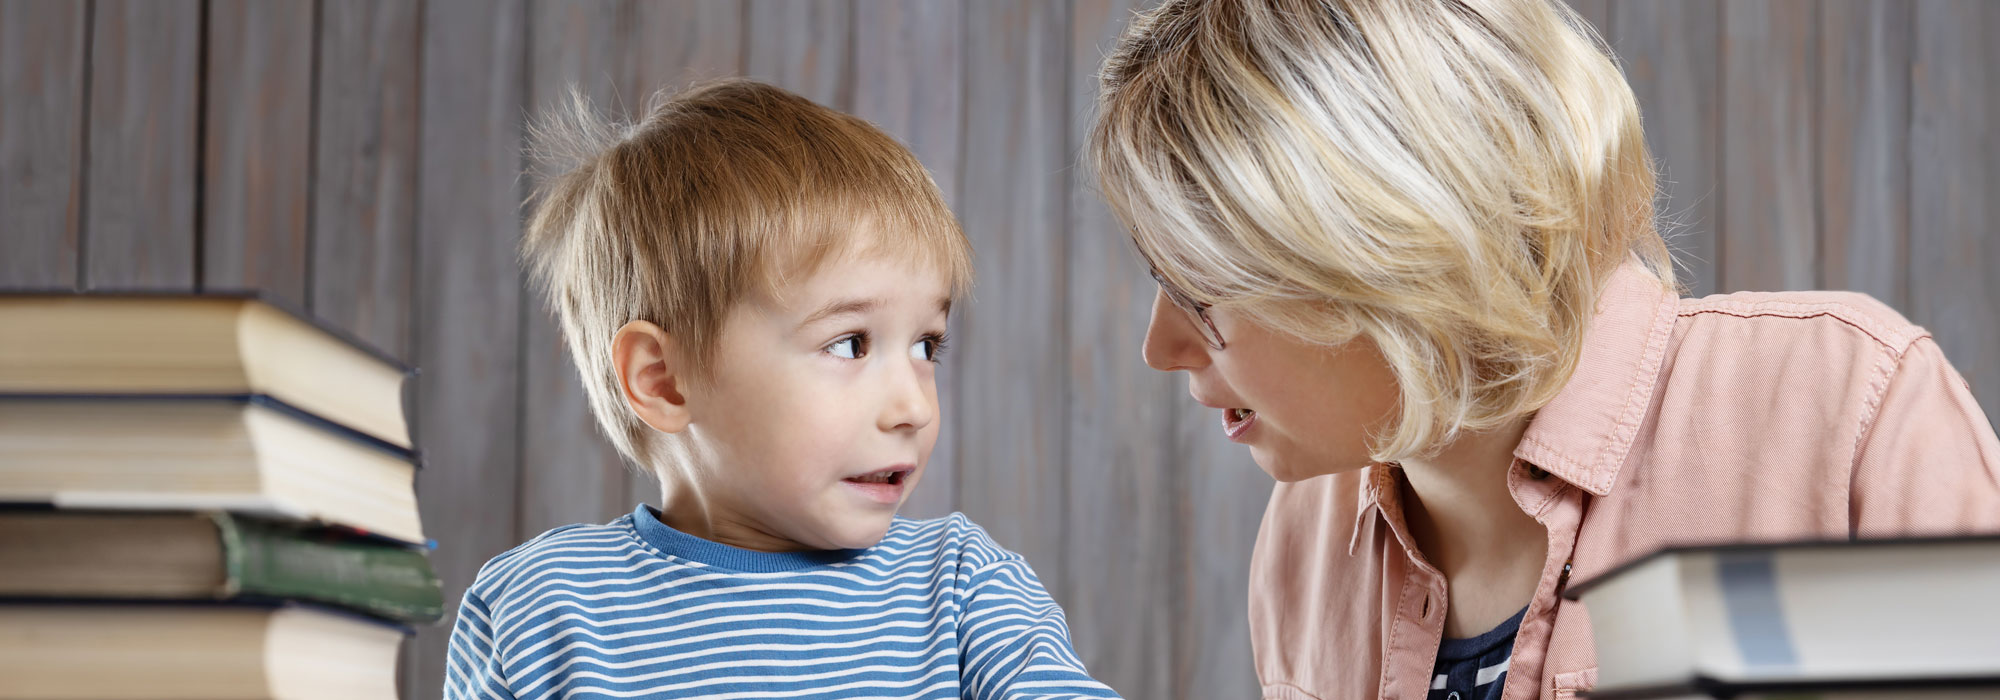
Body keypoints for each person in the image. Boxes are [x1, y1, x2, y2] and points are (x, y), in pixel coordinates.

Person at [1085, 1, 2000, 698]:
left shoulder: (1836, 419)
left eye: (1202, 293)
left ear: (1387, 252)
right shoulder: (1305, 542)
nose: (1159, 347)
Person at [442, 79, 1121, 700]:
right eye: (850, 343)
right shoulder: (542, 610)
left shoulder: (963, 591)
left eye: (926, 346)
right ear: (663, 381)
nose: (914, 407)